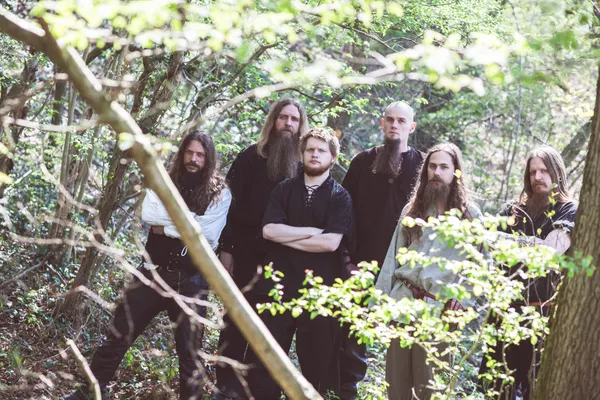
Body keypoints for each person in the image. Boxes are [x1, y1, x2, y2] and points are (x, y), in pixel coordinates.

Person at [66, 131, 231, 400]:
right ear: (182, 153)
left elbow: (209, 235)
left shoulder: (220, 193)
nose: (193, 159)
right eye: (189, 152)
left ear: (208, 159)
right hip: (151, 274)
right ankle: (88, 393)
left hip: (190, 281)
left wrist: (167, 227)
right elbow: (150, 214)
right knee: (118, 336)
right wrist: (190, 225)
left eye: (200, 155)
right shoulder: (163, 178)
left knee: (190, 354)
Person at [243, 128, 354, 399]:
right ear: (301, 154)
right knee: (266, 365)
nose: (315, 154)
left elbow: (331, 244)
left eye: (321, 150)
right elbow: (269, 231)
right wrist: (314, 232)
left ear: (333, 157)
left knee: (316, 371)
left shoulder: (340, 197)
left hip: (319, 293)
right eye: (310, 149)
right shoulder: (284, 189)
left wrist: (288, 237)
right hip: (277, 287)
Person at [214, 98, 309, 399]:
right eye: (283, 117)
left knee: (272, 326)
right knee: (235, 320)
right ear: (273, 121)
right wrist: (226, 248)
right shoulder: (250, 157)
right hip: (244, 254)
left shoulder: (305, 167)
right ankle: (225, 386)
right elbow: (227, 206)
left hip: (283, 263)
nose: (288, 124)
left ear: (301, 126)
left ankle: (255, 390)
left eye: (294, 119)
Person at [375, 142, 482, 400]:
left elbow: (480, 265)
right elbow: (392, 258)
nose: (437, 172)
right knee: (397, 387)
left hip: (440, 311)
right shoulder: (412, 210)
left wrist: (464, 299)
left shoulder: (470, 215)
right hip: (403, 304)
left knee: (431, 390)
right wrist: (379, 305)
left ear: (456, 172)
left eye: (444, 167)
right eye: (432, 167)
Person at [338, 101, 424, 398]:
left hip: (404, 272)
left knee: (403, 341)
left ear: (411, 126)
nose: (395, 125)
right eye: (390, 119)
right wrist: (346, 260)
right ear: (381, 123)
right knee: (351, 335)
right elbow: (343, 213)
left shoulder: (423, 165)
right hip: (361, 266)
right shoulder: (363, 161)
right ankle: (345, 393)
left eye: (401, 121)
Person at [479, 146, 577, 400]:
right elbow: (486, 242)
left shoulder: (568, 210)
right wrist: (533, 243)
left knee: (537, 390)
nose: (537, 177)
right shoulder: (513, 210)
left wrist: (510, 243)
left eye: (544, 171)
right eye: (533, 172)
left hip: (542, 317)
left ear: (557, 173)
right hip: (504, 314)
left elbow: (550, 253)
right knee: (496, 389)